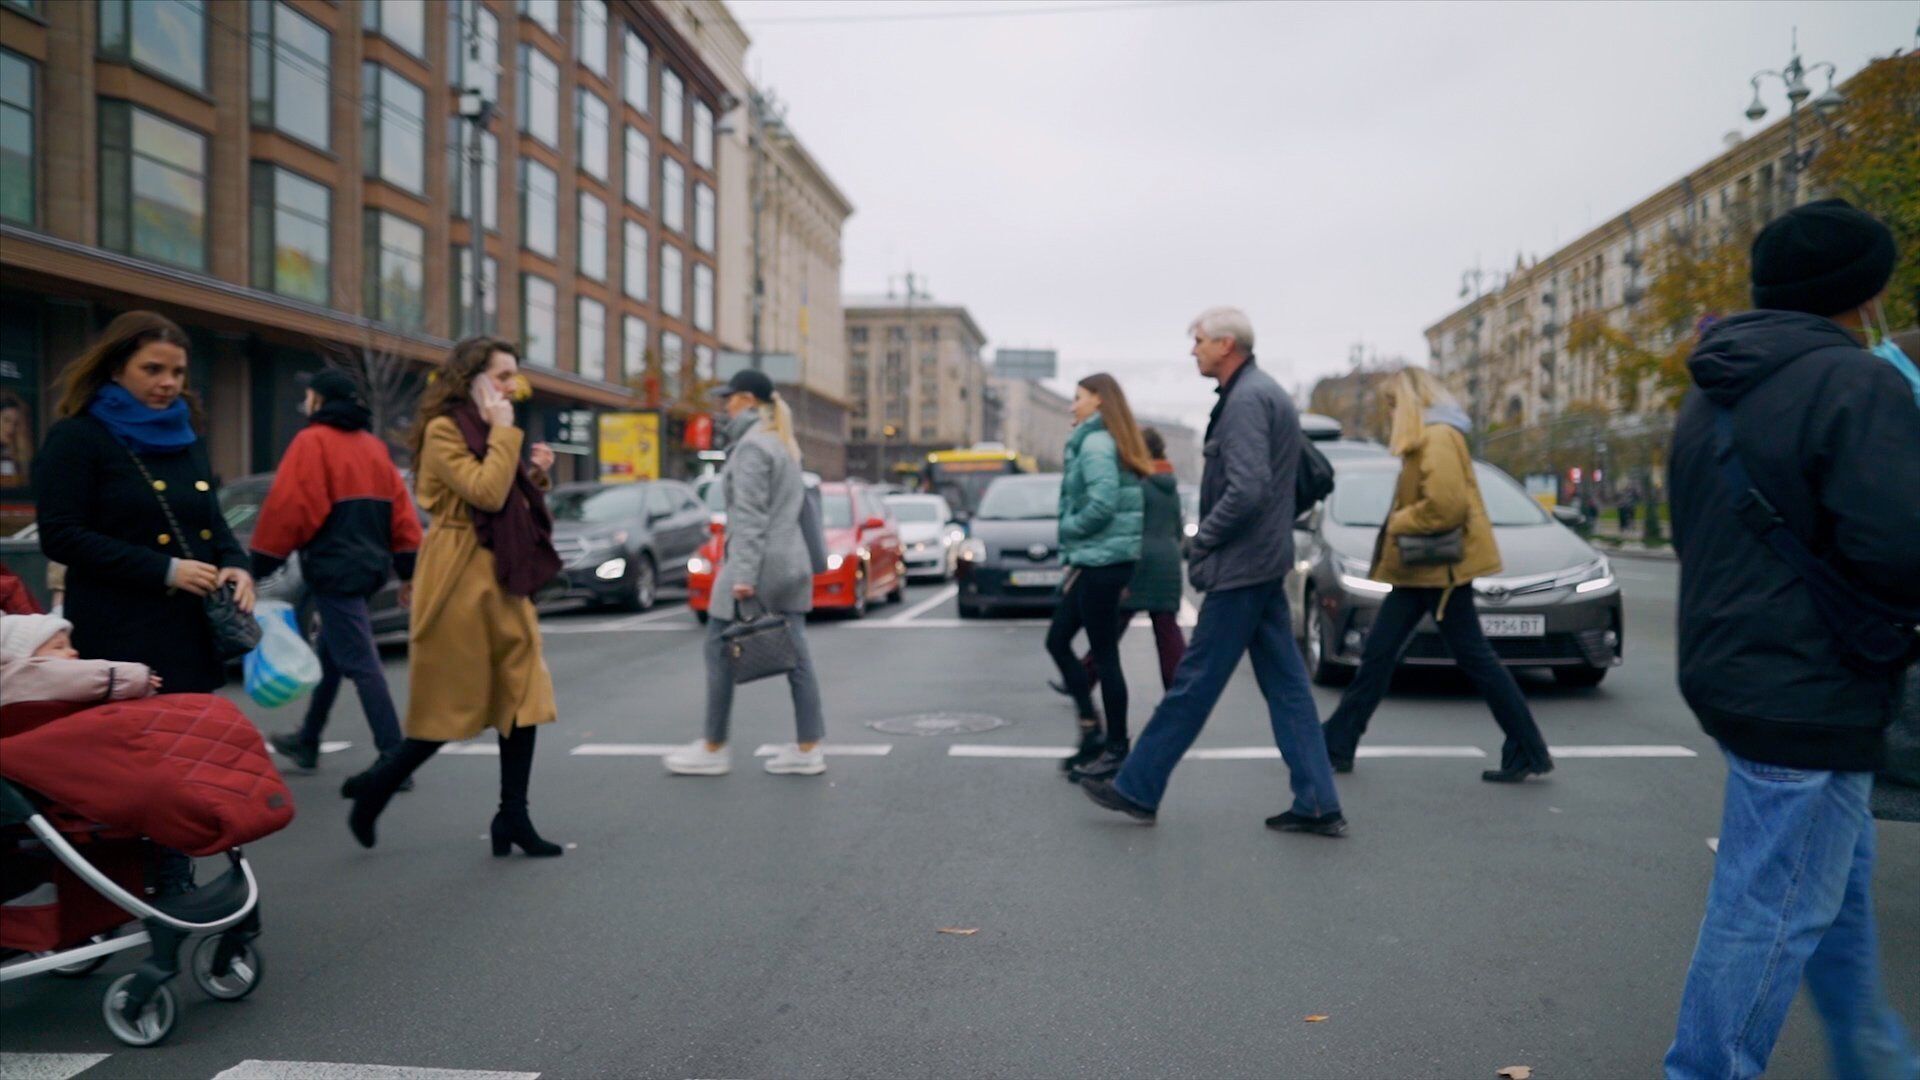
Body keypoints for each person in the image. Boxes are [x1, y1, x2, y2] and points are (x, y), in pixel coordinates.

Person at [1662, 199, 1920, 1080]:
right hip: (1814, 686)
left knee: (1829, 889)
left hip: (1738, 672)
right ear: (1866, 289)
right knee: (1770, 910)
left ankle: (1876, 1060)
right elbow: (1901, 548)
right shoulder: (1857, 384)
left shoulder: (1713, 386)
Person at [1081, 307, 1345, 834]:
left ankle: (1138, 785)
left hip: (1244, 566)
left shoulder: (1247, 400)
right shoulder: (1259, 393)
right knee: (1288, 686)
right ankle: (1317, 801)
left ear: (1227, 345)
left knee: (1195, 681)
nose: (1193, 350)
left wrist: (1205, 537)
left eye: (1199, 341)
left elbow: (1247, 490)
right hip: (1263, 561)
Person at [345, 338, 565, 858]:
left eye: (515, 375)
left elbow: (502, 494)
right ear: (472, 379)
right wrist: (506, 436)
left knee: (522, 697)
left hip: (503, 574)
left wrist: (534, 474)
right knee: (451, 703)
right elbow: (484, 493)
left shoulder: (492, 428)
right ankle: (378, 785)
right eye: (503, 375)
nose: (513, 387)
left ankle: (513, 815)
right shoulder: (445, 431)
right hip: (460, 575)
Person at [1319, 368, 1554, 783]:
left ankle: (1526, 747)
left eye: (1392, 404)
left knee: (1469, 659)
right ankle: (1338, 742)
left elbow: (1444, 507)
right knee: (1381, 655)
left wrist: (1397, 521)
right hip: (1421, 571)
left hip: (1438, 571)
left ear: (1409, 402)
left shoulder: (1437, 436)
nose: (1390, 413)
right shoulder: (1429, 437)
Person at [34, 311, 256, 694]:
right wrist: (166, 570)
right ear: (116, 368)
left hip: (190, 634)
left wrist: (236, 566)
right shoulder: (77, 437)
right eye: (152, 369)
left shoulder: (186, 438)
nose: (168, 383)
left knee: (191, 746)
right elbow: (60, 535)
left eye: (178, 372)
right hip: (119, 634)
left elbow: (211, 521)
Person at [250, 368, 423, 788]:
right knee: (333, 651)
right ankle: (308, 740)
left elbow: (291, 507)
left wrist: (259, 565)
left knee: (361, 661)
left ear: (320, 401)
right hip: (368, 568)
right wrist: (408, 571)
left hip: (332, 566)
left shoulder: (312, 442)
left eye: (309, 397)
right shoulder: (373, 448)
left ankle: (393, 757)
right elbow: (402, 513)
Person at [665, 369, 828, 778]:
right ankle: (808, 748)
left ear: (749, 401)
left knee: (718, 649)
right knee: (797, 657)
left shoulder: (753, 448)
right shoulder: (783, 443)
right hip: (789, 560)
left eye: (730, 397)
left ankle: (714, 746)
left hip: (758, 563)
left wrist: (743, 575)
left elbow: (751, 517)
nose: (725, 404)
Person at [1048, 373, 1148, 784]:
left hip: (1102, 561)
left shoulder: (1094, 443)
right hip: (1100, 560)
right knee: (1059, 640)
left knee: (1105, 656)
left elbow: (1103, 502)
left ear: (1098, 402)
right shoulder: (1103, 439)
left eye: (1078, 398)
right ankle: (1093, 733)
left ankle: (1114, 748)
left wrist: (1069, 528)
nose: (1072, 406)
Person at [1054, 427, 1188, 698]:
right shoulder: (1169, 485)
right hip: (1168, 560)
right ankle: (1178, 689)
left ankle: (1080, 679)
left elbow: (1125, 523)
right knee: (1166, 629)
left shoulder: (1137, 484)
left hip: (1138, 559)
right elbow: (1178, 527)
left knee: (1111, 628)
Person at [1, 612, 161, 702]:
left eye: (69, 646)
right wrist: (132, 676)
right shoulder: (25, 677)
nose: (74, 652)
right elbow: (69, 676)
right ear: (26, 658)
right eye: (59, 647)